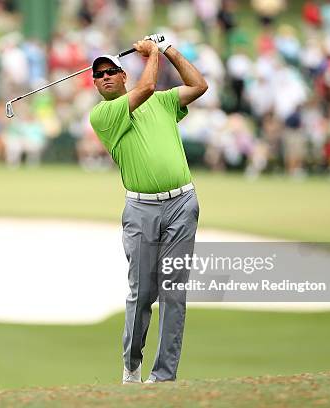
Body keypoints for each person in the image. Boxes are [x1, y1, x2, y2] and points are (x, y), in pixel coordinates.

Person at [89, 35, 208, 384]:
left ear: (124, 75)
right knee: (142, 292)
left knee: (174, 293)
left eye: (113, 70)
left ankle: (164, 378)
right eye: (100, 74)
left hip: (183, 204)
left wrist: (168, 47)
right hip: (141, 211)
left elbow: (199, 85)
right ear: (96, 84)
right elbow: (147, 85)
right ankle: (131, 367)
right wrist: (153, 52)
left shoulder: (163, 102)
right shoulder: (104, 114)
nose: (107, 76)